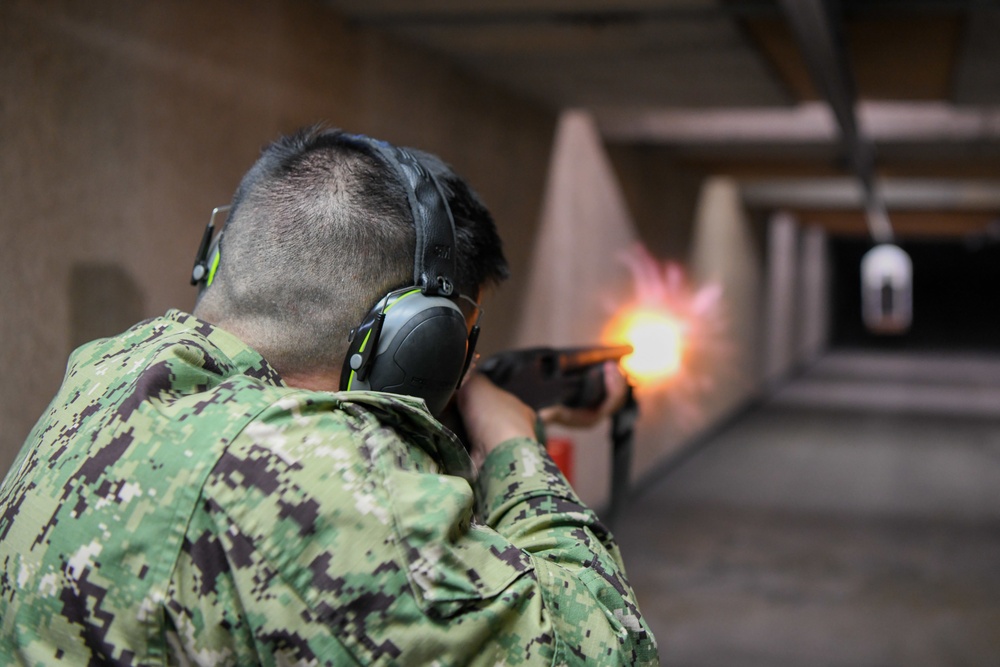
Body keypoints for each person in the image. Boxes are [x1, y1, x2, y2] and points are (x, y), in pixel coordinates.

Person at [0, 127, 659, 665]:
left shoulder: (107, 372)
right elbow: (607, 649)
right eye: (457, 345)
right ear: (416, 343)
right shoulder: (310, 476)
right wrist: (515, 449)